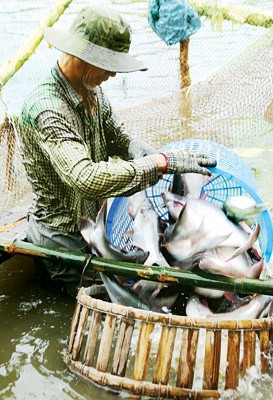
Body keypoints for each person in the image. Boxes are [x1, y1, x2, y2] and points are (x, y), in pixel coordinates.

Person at [18, 5, 216, 296]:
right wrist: (159, 163)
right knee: (109, 304)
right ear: (81, 55)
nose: (112, 73)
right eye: (106, 63)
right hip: (60, 240)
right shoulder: (47, 109)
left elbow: (118, 137)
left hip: (94, 229)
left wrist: (140, 150)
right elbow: (85, 178)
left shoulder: (92, 91)